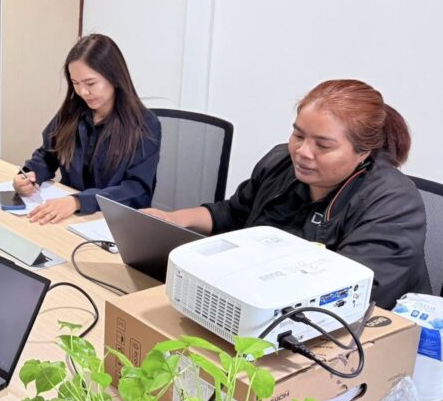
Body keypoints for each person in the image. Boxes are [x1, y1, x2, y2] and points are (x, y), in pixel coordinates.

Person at [144, 79, 428, 309]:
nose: (302, 152)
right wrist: (173, 219)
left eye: (323, 145)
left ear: (363, 152)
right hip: (255, 301)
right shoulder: (280, 163)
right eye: (298, 135)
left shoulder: (393, 201)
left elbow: (350, 291)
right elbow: (233, 213)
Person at [13, 34, 161, 225]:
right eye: (76, 83)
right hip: (69, 216)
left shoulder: (145, 125)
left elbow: (136, 189)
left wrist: (78, 201)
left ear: (115, 78)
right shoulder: (72, 111)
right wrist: (29, 176)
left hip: (113, 223)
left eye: (90, 83)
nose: (83, 92)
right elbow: (48, 155)